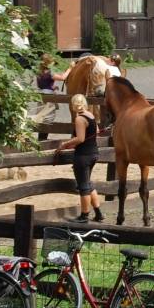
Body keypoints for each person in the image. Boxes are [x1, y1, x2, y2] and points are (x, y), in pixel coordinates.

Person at [58, 93, 104, 223]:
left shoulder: (79, 119)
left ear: (73, 104)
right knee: (88, 184)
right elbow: (97, 131)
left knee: (83, 186)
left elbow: (80, 138)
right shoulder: (90, 115)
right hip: (94, 153)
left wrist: (65, 144)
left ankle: (84, 216)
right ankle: (99, 214)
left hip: (83, 155)